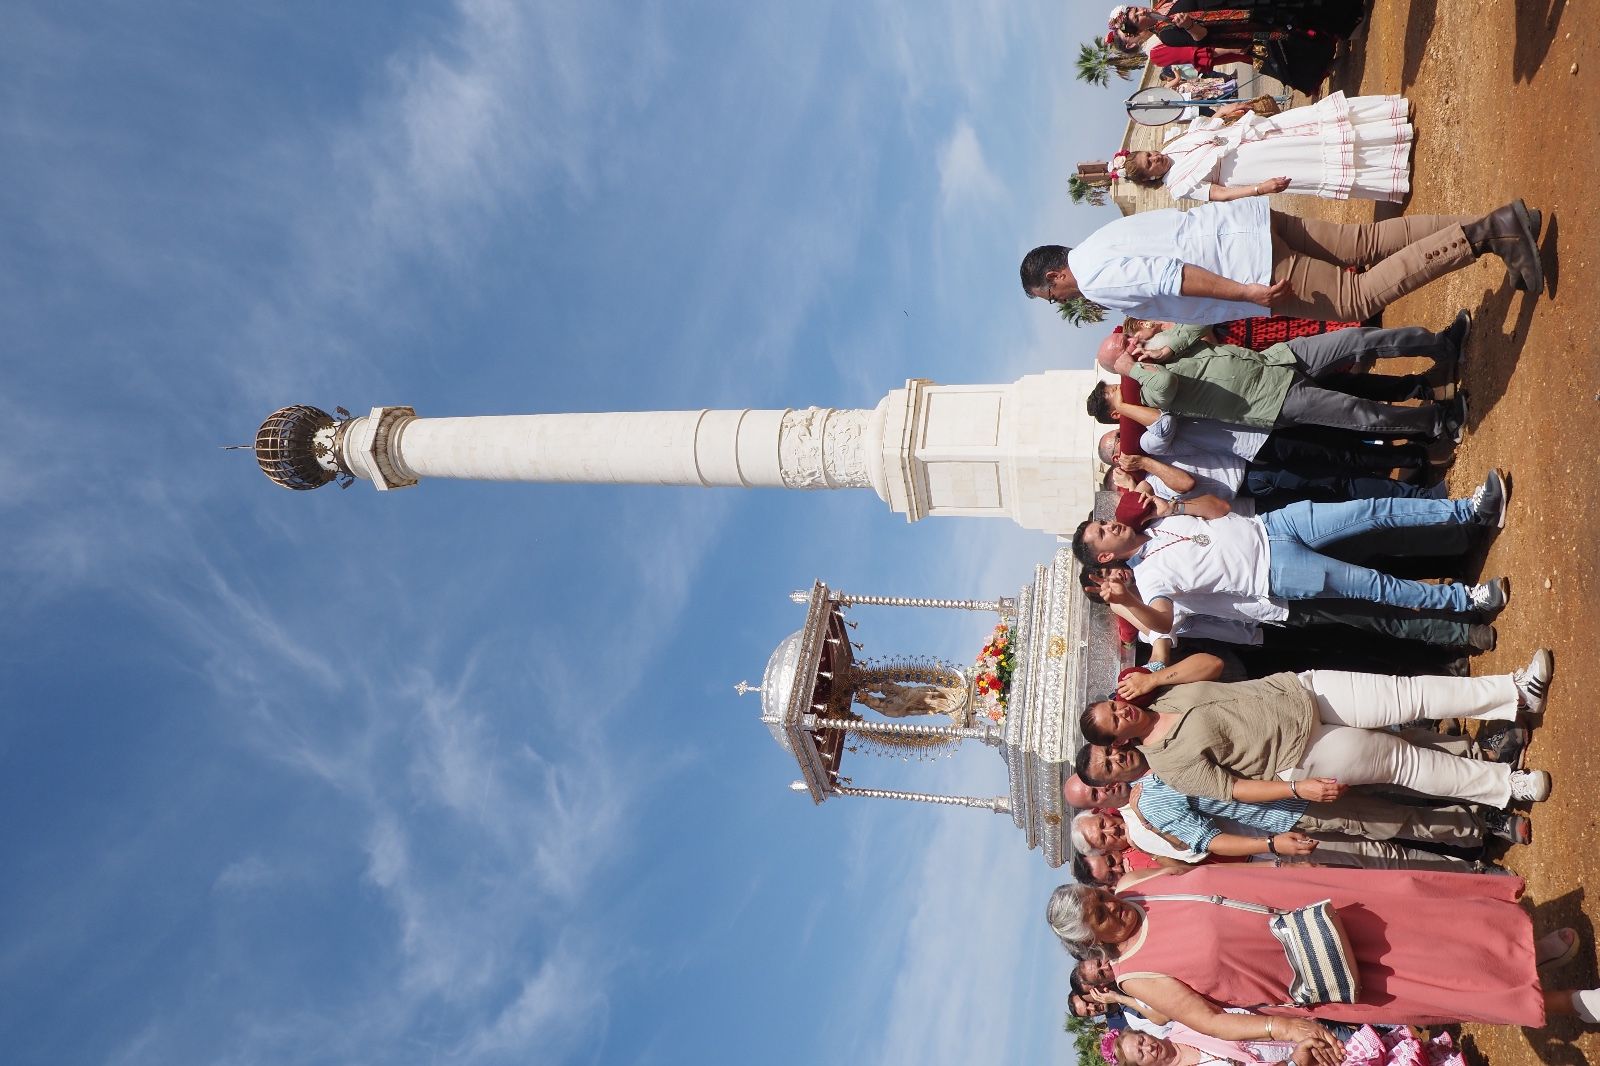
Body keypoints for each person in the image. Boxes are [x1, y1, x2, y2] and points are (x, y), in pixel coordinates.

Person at [1044, 869, 1599, 1030]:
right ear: (1092, 940)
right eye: (1102, 916)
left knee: (1421, 919)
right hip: (1314, 970)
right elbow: (1211, 1022)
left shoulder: (1142, 885)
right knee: (1428, 981)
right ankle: (1569, 1002)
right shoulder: (1138, 978)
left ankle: (1524, 949)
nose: (1114, 907)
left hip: (1311, 903)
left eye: (1102, 897)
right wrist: (1286, 1030)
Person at [1074, 656, 1555, 809]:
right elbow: (1232, 789)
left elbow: (1215, 665)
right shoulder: (1168, 764)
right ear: (1119, 741)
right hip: (1303, 752)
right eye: (1115, 720)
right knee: (1403, 762)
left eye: (1115, 704)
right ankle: (1506, 786)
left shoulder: (1161, 695)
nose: (1122, 710)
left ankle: (1515, 691)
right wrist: (1293, 788)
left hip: (1302, 691)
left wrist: (1157, 678)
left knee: (1410, 695)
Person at [1070, 475, 1513, 635]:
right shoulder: (1147, 584)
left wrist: (1172, 507)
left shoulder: (1154, 520)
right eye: (1103, 532)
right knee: (1376, 586)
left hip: (1273, 525)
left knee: (1372, 511)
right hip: (1275, 573)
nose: (1111, 524)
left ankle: (1469, 510)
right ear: (1106, 559)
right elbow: (1164, 623)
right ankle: (1466, 601)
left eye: (1104, 521)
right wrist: (1128, 603)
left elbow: (1220, 509)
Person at [1020, 197, 1544, 325]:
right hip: (1244, 225)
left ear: (1054, 275)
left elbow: (1170, 276)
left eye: (1050, 295)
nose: (1058, 300)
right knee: (1363, 241)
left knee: (1355, 298)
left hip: (1249, 266)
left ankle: (1490, 232)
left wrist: (1247, 293)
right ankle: (1496, 225)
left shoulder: (1092, 278)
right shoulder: (1099, 239)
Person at [1090, 321, 1466, 440]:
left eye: (1128, 336)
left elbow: (1202, 322)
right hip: (1271, 401)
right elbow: (1167, 388)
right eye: (1125, 345)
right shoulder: (1147, 390)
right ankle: (1437, 422)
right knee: (1361, 414)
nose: (1133, 341)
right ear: (1119, 363)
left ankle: (1441, 345)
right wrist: (1135, 368)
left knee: (1358, 340)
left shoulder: (1163, 346)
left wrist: (1168, 343)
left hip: (1279, 359)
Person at [1120, 92, 1412, 204]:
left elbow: (1212, 125)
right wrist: (1260, 188)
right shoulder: (1179, 185)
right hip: (1253, 166)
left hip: (1254, 134)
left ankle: (1389, 126)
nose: (1155, 157)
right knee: (1314, 159)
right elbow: (1220, 194)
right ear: (1151, 178)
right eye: (1150, 163)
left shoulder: (1174, 145)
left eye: (1149, 154)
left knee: (1314, 123)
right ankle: (1391, 163)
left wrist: (1228, 111)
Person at [1111, 1018, 1469, 1066]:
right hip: (1292, 1063)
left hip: (1286, 1039)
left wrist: (1297, 1032)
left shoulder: (1183, 1025)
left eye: (1140, 1041)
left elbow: (1236, 1016)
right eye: (1139, 1055)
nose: (1146, 1048)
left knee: (1351, 1051)